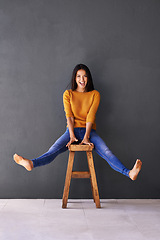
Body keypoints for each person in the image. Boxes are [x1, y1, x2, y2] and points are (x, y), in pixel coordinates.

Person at [13, 64, 142, 181]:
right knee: (53, 150)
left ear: (89, 78)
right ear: (75, 78)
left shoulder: (94, 94)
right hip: (71, 131)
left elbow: (91, 116)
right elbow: (69, 117)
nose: (82, 79)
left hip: (89, 132)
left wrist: (86, 137)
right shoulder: (68, 94)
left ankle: (129, 173)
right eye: (79, 76)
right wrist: (72, 135)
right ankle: (31, 163)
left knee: (107, 152)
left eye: (85, 76)